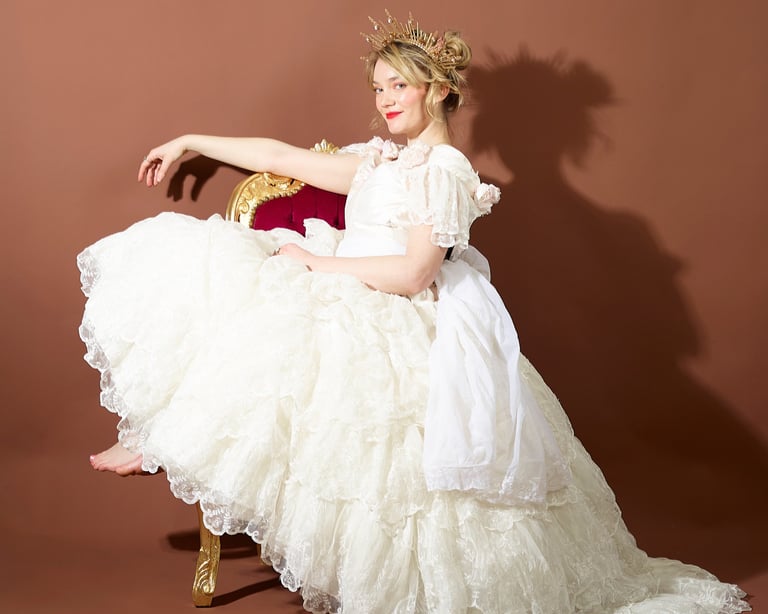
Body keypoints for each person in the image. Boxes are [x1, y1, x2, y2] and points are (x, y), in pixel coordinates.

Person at [79, 11, 750, 614]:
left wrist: (315, 264)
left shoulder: (445, 170)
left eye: (399, 85)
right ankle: (156, 435)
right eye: (379, 88)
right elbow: (279, 157)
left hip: (399, 307)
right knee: (224, 273)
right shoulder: (382, 163)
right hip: (348, 286)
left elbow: (413, 272)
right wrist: (191, 139)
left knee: (299, 330)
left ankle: (163, 443)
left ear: (438, 89)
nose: (386, 100)